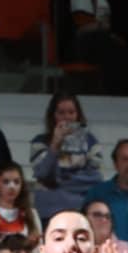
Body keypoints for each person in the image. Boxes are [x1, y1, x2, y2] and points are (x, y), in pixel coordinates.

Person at [29, 92, 103, 221]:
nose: (67, 117)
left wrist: (57, 182)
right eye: (61, 113)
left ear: (78, 115)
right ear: (53, 116)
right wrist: (54, 146)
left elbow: (95, 179)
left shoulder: (91, 142)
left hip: (80, 210)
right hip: (48, 213)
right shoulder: (39, 142)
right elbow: (41, 173)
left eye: (71, 112)